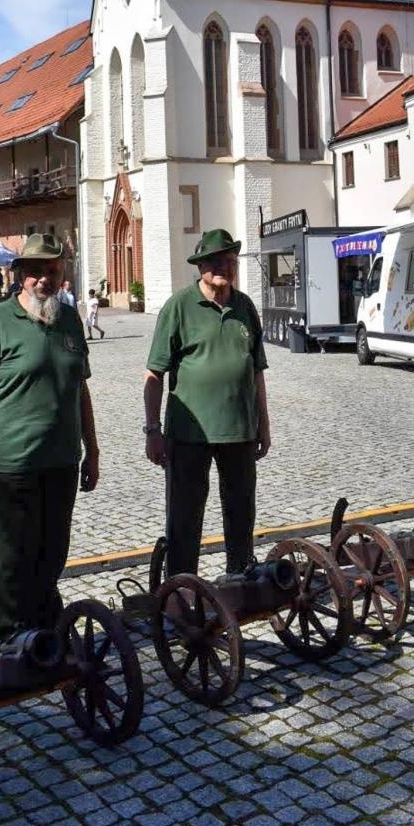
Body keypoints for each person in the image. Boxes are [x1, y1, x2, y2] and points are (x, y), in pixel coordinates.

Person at [0, 233, 100, 641]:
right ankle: (8, 641)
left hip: (61, 461)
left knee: (52, 553)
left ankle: (43, 632)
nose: (44, 279)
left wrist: (92, 451)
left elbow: (80, 390)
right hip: (12, 463)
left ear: (61, 274)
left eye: (52, 271)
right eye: (35, 271)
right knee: (12, 560)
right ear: (20, 276)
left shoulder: (69, 319)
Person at [143, 228, 271, 578]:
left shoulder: (244, 306)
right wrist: (153, 430)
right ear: (200, 267)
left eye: (230, 261)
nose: (224, 268)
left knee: (241, 510)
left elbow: (256, 370)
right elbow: (154, 374)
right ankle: (182, 587)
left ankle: (239, 577)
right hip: (189, 434)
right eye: (215, 262)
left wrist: (264, 425)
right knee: (185, 515)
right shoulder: (179, 307)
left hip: (240, 431)